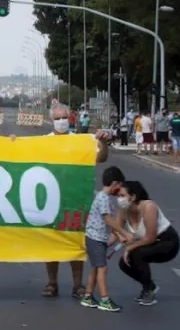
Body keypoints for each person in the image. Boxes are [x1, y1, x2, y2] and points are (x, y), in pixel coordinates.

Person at [11, 103, 109, 299]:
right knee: (51, 242)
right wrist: (13, 142)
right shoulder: (43, 142)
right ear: (52, 120)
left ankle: (78, 285)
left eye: (63, 117)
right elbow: (20, 153)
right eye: (57, 118)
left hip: (75, 198)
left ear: (70, 117)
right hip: (49, 199)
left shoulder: (81, 141)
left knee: (75, 242)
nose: (61, 121)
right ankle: (52, 283)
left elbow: (102, 158)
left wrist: (104, 143)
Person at [116, 181, 180, 306]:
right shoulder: (124, 210)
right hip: (150, 243)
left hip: (168, 242)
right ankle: (150, 285)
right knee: (123, 264)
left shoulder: (148, 207)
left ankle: (148, 291)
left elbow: (150, 237)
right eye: (119, 196)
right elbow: (116, 230)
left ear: (133, 197)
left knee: (137, 254)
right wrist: (102, 245)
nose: (119, 199)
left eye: (122, 196)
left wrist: (129, 248)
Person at [80, 166, 132, 312]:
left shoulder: (106, 198)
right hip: (95, 237)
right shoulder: (103, 198)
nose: (120, 190)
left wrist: (119, 236)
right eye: (120, 186)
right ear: (115, 183)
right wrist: (124, 233)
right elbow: (108, 220)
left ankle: (88, 296)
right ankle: (105, 299)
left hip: (98, 237)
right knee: (103, 268)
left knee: (96, 268)